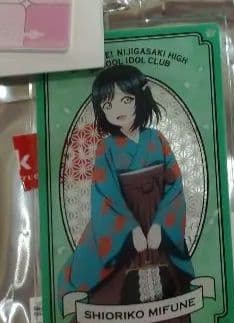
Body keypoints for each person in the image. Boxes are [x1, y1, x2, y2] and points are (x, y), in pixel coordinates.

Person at [58, 65, 192, 320]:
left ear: (141, 97)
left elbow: (174, 186)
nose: (117, 110)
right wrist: (130, 231)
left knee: (170, 287)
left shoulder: (157, 139)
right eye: (108, 105)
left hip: (158, 220)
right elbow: (106, 194)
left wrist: (160, 226)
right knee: (113, 293)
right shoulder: (106, 148)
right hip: (122, 226)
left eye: (126, 100)